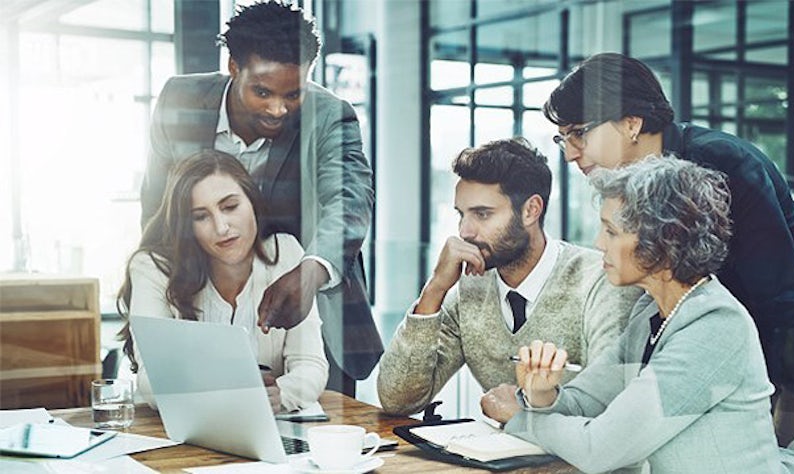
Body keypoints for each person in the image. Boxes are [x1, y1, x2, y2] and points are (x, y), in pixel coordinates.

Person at [543, 52, 794, 454]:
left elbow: (785, 304)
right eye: (563, 138)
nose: (570, 153)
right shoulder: (631, 189)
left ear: (631, 123)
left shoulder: (720, 166)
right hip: (759, 344)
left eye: (579, 133)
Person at [484, 157, 794, 473]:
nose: (599, 244)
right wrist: (542, 394)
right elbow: (585, 402)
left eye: (611, 231)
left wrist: (521, 419)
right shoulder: (651, 316)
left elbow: (601, 448)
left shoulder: (715, 328)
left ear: (663, 240)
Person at [140, 1, 381, 396]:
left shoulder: (330, 116)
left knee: (318, 448)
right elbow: (157, 207)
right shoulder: (179, 100)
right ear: (234, 67)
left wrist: (311, 271)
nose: (278, 108)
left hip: (307, 322)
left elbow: (349, 199)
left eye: (294, 93)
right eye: (263, 91)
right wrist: (156, 296)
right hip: (206, 314)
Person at [377, 138, 641, 416]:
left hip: (575, 460)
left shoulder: (601, 282)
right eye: (461, 214)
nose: (465, 231)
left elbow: (612, 407)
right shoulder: (471, 288)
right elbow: (399, 399)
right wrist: (434, 290)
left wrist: (524, 412)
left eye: (482, 214)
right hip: (492, 456)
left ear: (531, 210)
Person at [118, 150, 328, 413]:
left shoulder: (286, 253)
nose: (221, 227)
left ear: (252, 201)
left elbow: (311, 366)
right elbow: (152, 382)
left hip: (264, 427)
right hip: (176, 429)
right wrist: (233, 396)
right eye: (200, 216)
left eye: (230, 207)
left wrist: (280, 395)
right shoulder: (154, 267)